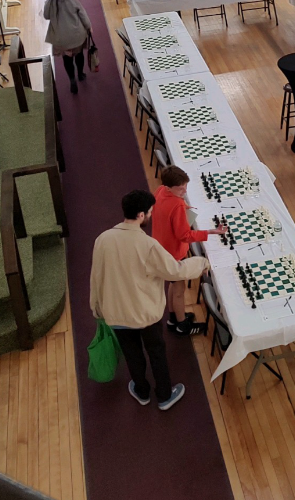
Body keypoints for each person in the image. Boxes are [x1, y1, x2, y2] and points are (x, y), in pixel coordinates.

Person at [89, 189, 209, 410]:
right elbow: (175, 270)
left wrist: (97, 308)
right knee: (156, 353)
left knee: (132, 354)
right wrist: (201, 263)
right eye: (150, 212)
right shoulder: (147, 245)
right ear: (142, 215)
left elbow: (96, 277)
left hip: (116, 314)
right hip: (146, 315)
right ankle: (164, 396)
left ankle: (142, 391)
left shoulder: (102, 239)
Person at [151, 166, 226, 335]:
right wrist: (211, 232)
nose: (184, 190)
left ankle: (173, 318)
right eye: (180, 188)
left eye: (185, 186)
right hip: (173, 253)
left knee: (173, 283)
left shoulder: (161, 190)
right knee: (179, 289)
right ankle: (181, 325)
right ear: (169, 187)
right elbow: (184, 235)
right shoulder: (176, 205)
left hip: (161, 247)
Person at [42, 0, 92, 94]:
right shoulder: (73, 0)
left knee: (67, 59)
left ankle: (72, 79)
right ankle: (80, 74)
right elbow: (84, 16)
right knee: (79, 54)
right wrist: (89, 27)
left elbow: (46, 16)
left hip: (61, 39)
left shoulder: (51, 2)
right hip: (76, 36)